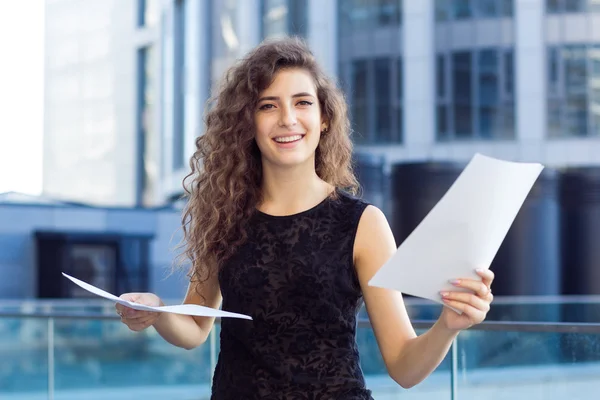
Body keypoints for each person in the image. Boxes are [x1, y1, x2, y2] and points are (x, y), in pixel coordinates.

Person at [115, 37, 494, 399]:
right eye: (268, 105)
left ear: (324, 118)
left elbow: (403, 367)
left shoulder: (364, 224)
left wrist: (447, 326)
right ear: (248, 123)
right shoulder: (226, 216)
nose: (287, 119)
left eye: (302, 103)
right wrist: (157, 312)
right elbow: (197, 328)